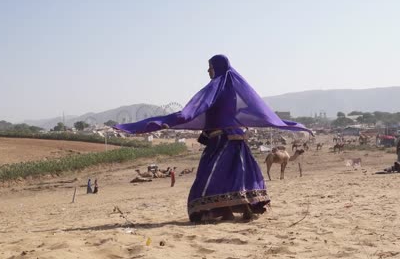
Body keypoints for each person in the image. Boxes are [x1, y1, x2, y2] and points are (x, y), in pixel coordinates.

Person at [114, 54, 311, 222]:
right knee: (239, 174)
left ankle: (220, 210)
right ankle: (244, 209)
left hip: (221, 139)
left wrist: (168, 121)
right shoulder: (232, 89)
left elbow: (195, 109)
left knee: (210, 175)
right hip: (236, 138)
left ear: (216, 68)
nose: (208, 72)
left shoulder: (216, 86)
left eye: (209, 68)